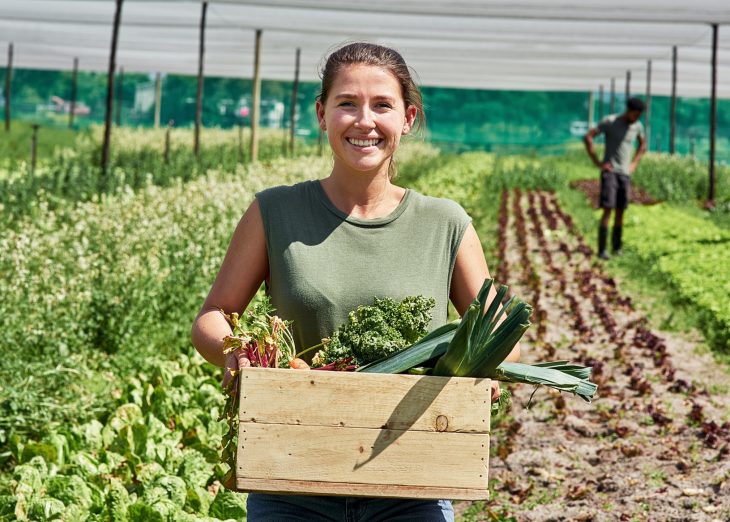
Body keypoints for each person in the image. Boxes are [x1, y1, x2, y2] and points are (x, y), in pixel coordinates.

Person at [191, 42, 519, 522]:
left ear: (407, 118)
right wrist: (235, 351)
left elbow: (498, 332)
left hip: (411, 482)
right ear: (322, 115)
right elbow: (213, 316)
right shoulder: (274, 212)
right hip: (290, 477)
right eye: (347, 103)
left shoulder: (445, 224)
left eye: (381, 105)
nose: (364, 121)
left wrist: (483, 367)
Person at [583, 96, 647, 259]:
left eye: (639, 116)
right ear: (628, 111)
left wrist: (633, 164)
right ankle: (602, 249)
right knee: (608, 209)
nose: (636, 118)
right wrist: (597, 162)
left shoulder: (637, 126)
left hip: (624, 174)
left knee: (621, 211)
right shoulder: (610, 122)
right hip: (610, 172)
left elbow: (642, 145)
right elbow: (589, 137)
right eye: (635, 114)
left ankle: (617, 247)